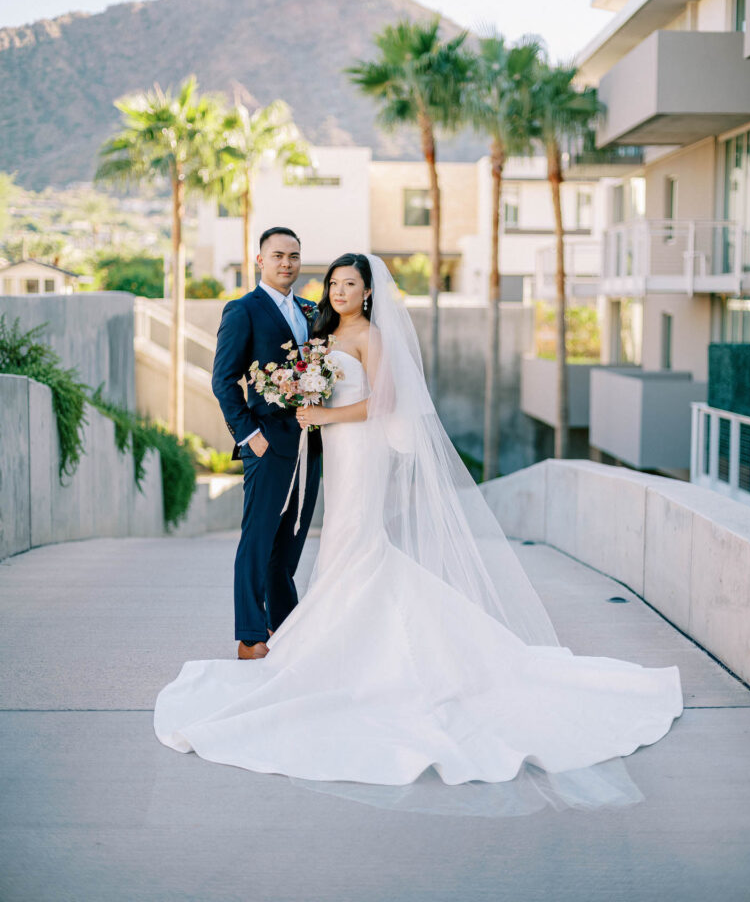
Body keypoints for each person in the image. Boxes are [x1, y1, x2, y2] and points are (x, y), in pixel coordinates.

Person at [155, 253, 683, 809]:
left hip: (359, 448)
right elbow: (310, 386)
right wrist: (302, 398)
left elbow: (383, 403)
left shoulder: (373, 337)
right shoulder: (322, 330)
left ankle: (355, 652)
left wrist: (324, 416)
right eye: (333, 283)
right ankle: (337, 642)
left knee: (358, 539)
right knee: (340, 542)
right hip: (334, 450)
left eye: (350, 284)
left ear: (367, 291)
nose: (338, 292)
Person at [210, 226, 321, 660]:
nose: (286, 263)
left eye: (293, 255)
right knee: (257, 540)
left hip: (310, 447)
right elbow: (223, 382)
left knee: (290, 543)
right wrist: (249, 436)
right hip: (266, 445)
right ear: (260, 260)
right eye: (277, 255)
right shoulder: (243, 310)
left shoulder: (312, 311)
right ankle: (251, 636)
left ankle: (285, 626)